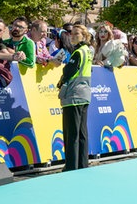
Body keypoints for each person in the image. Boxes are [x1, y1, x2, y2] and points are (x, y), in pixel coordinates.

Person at [57, 24, 93, 171]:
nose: (72, 36)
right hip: (84, 94)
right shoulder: (88, 51)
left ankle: (71, 166)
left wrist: (61, 82)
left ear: (84, 36)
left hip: (74, 94)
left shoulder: (78, 52)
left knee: (71, 133)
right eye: (72, 34)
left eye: (76, 34)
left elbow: (69, 70)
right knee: (82, 132)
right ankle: (82, 164)